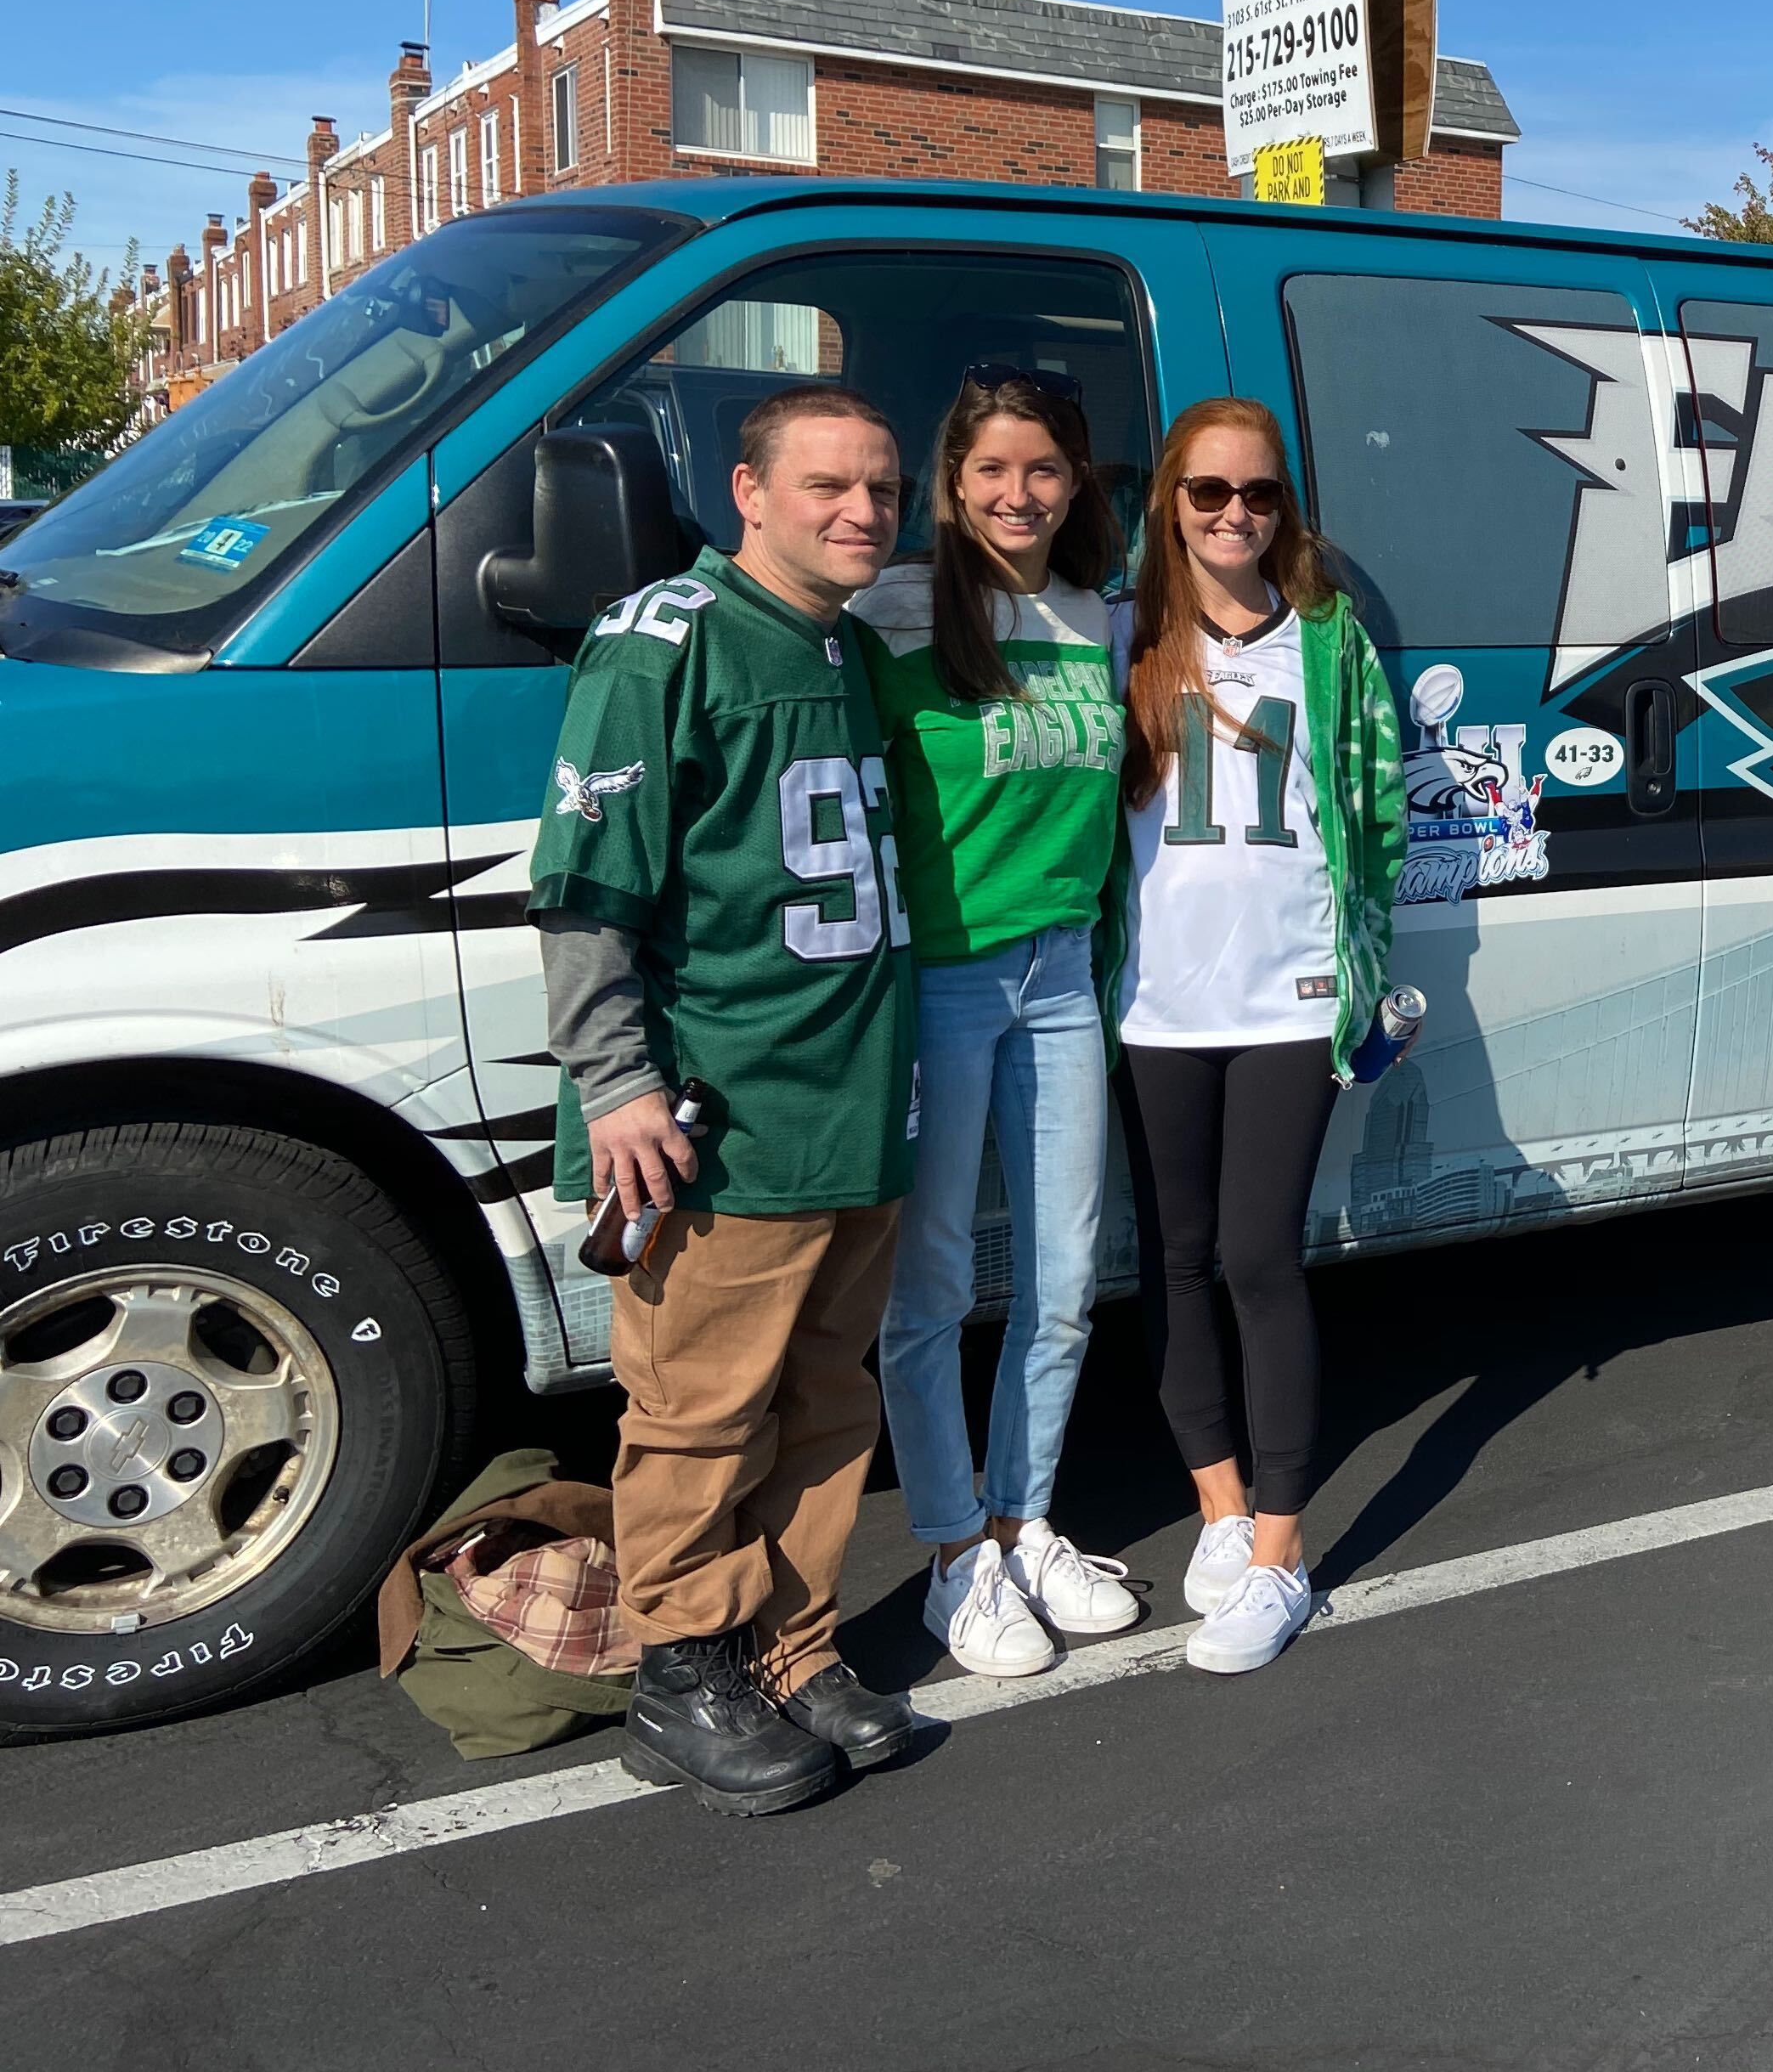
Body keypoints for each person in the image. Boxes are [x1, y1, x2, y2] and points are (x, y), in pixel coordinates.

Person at [533, 383, 919, 1816]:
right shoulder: (662, 642)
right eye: (826, 483)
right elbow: (585, 885)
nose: (860, 510)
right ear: (748, 493)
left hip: (856, 1102)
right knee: (697, 1408)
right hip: (726, 1109)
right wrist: (618, 1079)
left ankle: (792, 1642)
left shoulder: (850, 644)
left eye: (880, 487)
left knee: (825, 1400)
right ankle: (680, 1666)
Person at [853, 364, 1143, 1678]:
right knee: (932, 1291)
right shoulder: (894, 609)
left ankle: (1027, 1523)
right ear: (952, 483)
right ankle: (953, 1552)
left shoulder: (1099, 615)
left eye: (1043, 470)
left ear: (1074, 480)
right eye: (992, 472)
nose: (1017, 494)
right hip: (946, 978)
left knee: (1068, 1282)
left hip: (1060, 974)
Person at [1116, 397, 1405, 1676]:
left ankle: (1284, 1559)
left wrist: (1364, 967)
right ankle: (1221, 1508)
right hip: (1152, 1007)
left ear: (1286, 508)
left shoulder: (1330, 644)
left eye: (1260, 495)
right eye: (1209, 494)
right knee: (1174, 1259)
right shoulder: (1124, 640)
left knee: (1258, 1259)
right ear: (1171, 502)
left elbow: (1378, 807)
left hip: (1287, 1000)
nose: (1236, 515)